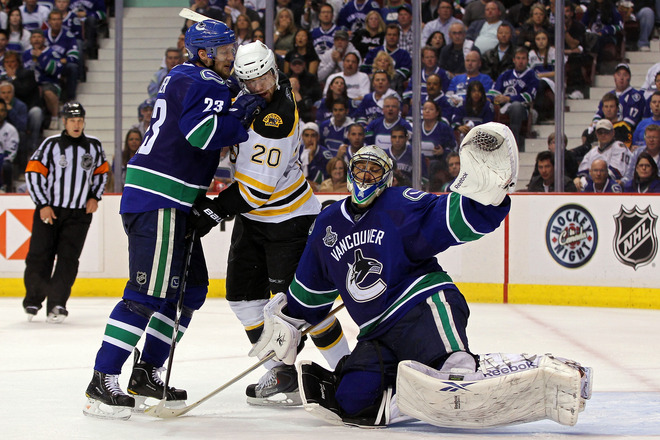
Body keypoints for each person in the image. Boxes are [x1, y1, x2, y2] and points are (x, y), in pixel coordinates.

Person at [247, 125, 591, 429]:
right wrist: (288, 322)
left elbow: (454, 218)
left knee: (455, 372)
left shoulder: (403, 204)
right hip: (377, 332)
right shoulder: (327, 225)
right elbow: (310, 294)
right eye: (360, 169)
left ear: (388, 178)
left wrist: (486, 195)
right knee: (353, 401)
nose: (366, 177)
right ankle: (417, 396)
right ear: (350, 173)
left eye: (374, 171)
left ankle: (501, 367)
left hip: (422, 308)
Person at [83, 20, 265, 420]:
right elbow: (201, 134)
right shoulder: (207, 81)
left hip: (167, 200)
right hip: (161, 200)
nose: (230, 57)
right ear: (203, 53)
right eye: (223, 51)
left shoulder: (184, 75)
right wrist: (240, 118)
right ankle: (103, 377)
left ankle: (147, 372)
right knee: (146, 295)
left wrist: (232, 101)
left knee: (191, 290)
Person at [188, 41, 350, 407]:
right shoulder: (248, 95)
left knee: (302, 307)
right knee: (243, 298)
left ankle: (350, 371)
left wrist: (213, 212)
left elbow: (258, 190)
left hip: (288, 221)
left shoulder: (277, 119)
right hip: (254, 220)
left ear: (274, 72)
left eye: (264, 78)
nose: (259, 86)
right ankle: (280, 372)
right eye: (251, 80)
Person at [22, 102, 107, 320]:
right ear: (64, 122)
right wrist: (42, 204)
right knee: (40, 256)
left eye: (80, 120)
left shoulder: (95, 146)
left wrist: (94, 197)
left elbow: (101, 173)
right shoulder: (51, 145)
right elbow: (33, 172)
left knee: (69, 260)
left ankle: (57, 304)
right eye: (72, 121)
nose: (76, 125)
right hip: (51, 210)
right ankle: (33, 300)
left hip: (79, 214)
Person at [488, 46, 538, 152]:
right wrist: (497, 99)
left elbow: (529, 96)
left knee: (516, 106)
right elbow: (493, 92)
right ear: (514, 60)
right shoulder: (505, 75)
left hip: (522, 108)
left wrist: (508, 98)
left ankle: (514, 144)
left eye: (523, 58)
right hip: (502, 106)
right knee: (489, 106)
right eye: (518, 58)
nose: (520, 61)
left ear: (528, 60)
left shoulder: (531, 76)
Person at [575, 119, 631, 190]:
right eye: (600, 132)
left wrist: (589, 179)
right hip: (595, 186)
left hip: (618, 186)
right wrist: (578, 179)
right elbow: (582, 172)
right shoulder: (592, 152)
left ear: (613, 133)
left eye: (606, 132)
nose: (603, 135)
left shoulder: (619, 147)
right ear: (596, 134)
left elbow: (615, 174)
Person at [592, 63, 645, 132]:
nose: (621, 78)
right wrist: (596, 125)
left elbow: (630, 123)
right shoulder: (609, 95)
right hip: (607, 131)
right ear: (614, 76)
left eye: (625, 75)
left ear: (629, 77)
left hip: (627, 134)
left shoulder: (636, 96)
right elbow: (598, 115)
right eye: (618, 74)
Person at [300, 121, 332, 190]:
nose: (309, 139)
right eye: (306, 135)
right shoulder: (298, 151)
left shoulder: (325, 154)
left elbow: (328, 176)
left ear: (318, 137)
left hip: (320, 188)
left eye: (313, 135)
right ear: (302, 137)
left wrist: (313, 158)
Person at [0, 99, 18, 192]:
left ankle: (5, 189)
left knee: (6, 165)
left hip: (2, 160)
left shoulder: (11, 130)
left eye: (2, 110)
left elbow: (11, 154)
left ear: (6, 113)